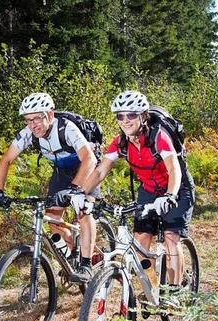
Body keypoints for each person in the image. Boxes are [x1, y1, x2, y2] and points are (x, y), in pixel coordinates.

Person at [69, 90, 195, 298]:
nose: (125, 120)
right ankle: (153, 289)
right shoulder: (120, 143)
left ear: (143, 116)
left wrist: (170, 195)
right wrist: (80, 192)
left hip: (177, 189)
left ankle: (175, 291)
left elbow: (174, 169)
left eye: (131, 115)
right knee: (140, 242)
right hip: (148, 190)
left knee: (171, 237)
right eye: (120, 116)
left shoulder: (159, 137)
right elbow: (101, 170)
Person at [0, 92, 99, 283]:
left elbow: (89, 158)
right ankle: (73, 252)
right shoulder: (28, 133)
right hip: (62, 171)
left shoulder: (66, 128)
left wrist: (74, 189)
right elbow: (6, 159)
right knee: (52, 218)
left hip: (87, 167)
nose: (32, 125)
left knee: (83, 210)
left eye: (37, 118)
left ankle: (87, 265)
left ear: (50, 115)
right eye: (28, 120)